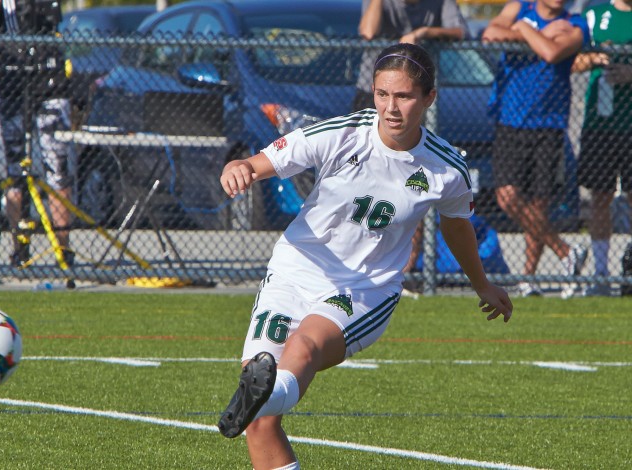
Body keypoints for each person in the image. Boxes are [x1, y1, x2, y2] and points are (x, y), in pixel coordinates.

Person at [214, 43, 513, 470]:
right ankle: (263, 395)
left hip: (362, 290)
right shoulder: (339, 133)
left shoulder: (447, 169)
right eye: (382, 94)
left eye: (405, 96)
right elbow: (258, 163)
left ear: (429, 98)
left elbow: (456, 226)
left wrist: (481, 283)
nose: (391, 108)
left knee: (304, 347)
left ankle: (267, 393)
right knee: (259, 423)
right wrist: (238, 168)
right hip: (293, 271)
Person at [482, 0, 589, 297]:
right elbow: (490, 33)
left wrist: (521, 32)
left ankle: (528, 279)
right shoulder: (519, 9)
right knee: (507, 198)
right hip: (509, 121)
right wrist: (531, 29)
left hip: (549, 125)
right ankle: (566, 251)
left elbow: (552, 52)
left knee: (538, 206)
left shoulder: (576, 24)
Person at [0, 0, 78, 270]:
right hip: (13, 86)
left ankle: (62, 248)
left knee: (58, 169)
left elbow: (51, 20)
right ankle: (19, 246)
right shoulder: (0, 11)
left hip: (49, 84)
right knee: (16, 173)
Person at [571, 0, 632, 296]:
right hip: (600, 126)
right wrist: (596, 57)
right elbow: (570, 61)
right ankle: (601, 274)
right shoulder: (594, 15)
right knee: (600, 198)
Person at [354, 0, 467, 111]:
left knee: (412, 129)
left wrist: (424, 32)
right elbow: (368, 32)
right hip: (374, 91)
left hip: (416, 91)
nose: (391, 108)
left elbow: (460, 32)